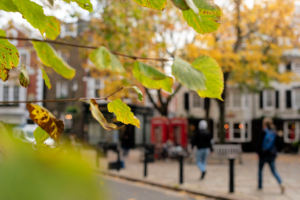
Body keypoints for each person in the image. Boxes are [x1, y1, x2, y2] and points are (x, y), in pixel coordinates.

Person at [257, 118, 284, 194]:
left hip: (263, 154)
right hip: (272, 154)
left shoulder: (263, 131)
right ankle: (281, 182)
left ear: (264, 124)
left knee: (260, 170)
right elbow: (278, 143)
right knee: (274, 171)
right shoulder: (274, 132)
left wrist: (258, 153)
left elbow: (259, 143)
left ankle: (260, 186)